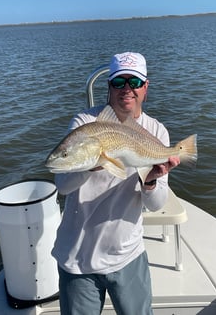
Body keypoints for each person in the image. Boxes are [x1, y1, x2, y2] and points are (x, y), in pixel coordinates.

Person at [52, 52, 180, 315]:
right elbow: (63, 186)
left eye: (134, 82)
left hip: (128, 255)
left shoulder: (157, 132)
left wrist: (151, 183)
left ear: (146, 87)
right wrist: (93, 162)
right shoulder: (85, 124)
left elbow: (156, 205)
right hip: (78, 260)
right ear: (109, 86)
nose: (127, 90)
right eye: (119, 82)